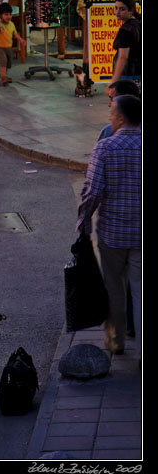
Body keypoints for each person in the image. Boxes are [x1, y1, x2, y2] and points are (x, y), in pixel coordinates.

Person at [76, 95, 141, 361]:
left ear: (122, 117)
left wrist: (84, 224)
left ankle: (115, 341)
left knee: (114, 287)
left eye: (112, 114)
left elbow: (92, 192)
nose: (110, 119)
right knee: (140, 289)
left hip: (112, 233)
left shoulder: (105, 147)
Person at [109, 0, 141, 87]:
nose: (117, 12)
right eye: (116, 8)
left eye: (122, 9)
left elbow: (123, 57)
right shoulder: (138, 23)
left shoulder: (126, 30)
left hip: (128, 76)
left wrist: (113, 82)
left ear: (131, 11)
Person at [0, 2, 27, 86]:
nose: (9, 16)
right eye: (6, 14)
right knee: (3, 60)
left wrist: (21, 40)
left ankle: (5, 75)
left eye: (10, 14)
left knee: (9, 62)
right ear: (1, 15)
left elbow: (15, 34)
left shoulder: (11, 24)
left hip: (8, 47)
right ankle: (3, 77)